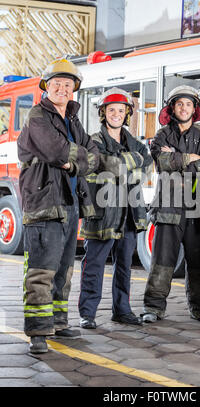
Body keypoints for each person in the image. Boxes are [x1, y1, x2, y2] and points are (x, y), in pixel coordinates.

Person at [17, 58, 99, 354]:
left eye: (67, 84)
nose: (62, 88)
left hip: (70, 201)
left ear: (74, 89)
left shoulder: (74, 120)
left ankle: (58, 322)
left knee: (64, 269)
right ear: (46, 86)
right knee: (41, 268)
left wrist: (72, 162)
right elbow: (55, 150)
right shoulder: (37, 116)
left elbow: (95, 155)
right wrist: (75, 158)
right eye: (57, 84)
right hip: (44, 202)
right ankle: (38, 331)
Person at [142, 85, 200, 324]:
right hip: (168, 209)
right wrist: (192, 158)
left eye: (188, 104)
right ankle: (153, 308)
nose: (184, 108)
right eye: (179, 104)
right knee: (162, 262)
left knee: (198, 263)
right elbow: (162, 162)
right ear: (172, 108)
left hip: (197, 210)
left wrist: (179, 160)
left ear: (194, 108)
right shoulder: (162, 136)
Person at [78, 87, 153, 328]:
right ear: (103, 113)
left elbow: (147, 166)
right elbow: (109, 165)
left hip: (129, 213)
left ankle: (122, 310)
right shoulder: (93, 141)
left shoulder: (136, 143)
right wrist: (130, 164)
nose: (116, 114)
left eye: (121, 110)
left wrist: (126, 168)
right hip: (102, 213)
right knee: (94, 263)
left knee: (124, 265)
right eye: (111, 110)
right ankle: (87, 314)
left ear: (127, 114)